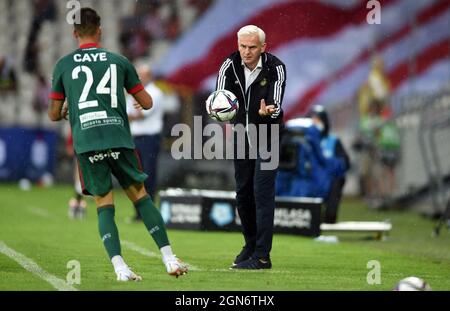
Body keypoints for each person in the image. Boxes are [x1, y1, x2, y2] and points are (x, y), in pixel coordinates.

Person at [48, 7, 187, 281]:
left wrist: (67, 109)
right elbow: (146, 103)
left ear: (74, 32)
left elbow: (53, 114)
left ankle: (120, 269)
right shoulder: (119, 60)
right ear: (100, 30)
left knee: (104, 205)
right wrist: (133, 98)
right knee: (142, 198)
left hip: (88, 142)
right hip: (119, 139)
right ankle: (169, 259)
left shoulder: (64, 65)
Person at [216, 25, 286, 269]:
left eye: (252, 47)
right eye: (242, 46)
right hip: (241, 135)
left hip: (269, 134)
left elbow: (277, 103)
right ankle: (250, 244)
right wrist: (218, 112)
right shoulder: (229, 65)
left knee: (262, 192)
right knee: (243, 193)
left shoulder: (276, 67)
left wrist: (269, 111)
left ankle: (262, 255)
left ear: (263, 47)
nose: (246, 52)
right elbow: (219, 100)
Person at [127, 64, 165, 221]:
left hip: (149, 138)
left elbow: (140, 114)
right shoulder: (134, 93)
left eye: (144, 75)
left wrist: (119, 115)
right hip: (136, 137)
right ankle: (138, 212)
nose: (141, 78)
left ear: (150, 76)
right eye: (139, 75)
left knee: (148, 175)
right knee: (136, 176)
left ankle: (147, 212)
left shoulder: (155, 93)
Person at [309, 105, 350, 223]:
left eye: (318, 119)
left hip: (328, 179)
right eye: (313, 119)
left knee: (336, 182)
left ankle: (329, 217)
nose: (315, 122)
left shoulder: (333, 141)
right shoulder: (304, 140)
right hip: (310, 178)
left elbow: (345, 163)